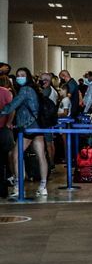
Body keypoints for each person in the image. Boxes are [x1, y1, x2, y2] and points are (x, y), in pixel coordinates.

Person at [1, 68, 51, 196]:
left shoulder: (24, 90)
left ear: (27, 77)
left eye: (22, 75)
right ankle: (43, 186)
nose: (19, 77)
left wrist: (2, 111)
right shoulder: (34, 89)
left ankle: (18, 186)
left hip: (28, 126)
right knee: (41, 155)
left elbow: (13, 105)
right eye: (18, 75)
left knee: (15, 155)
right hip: (38, 126)